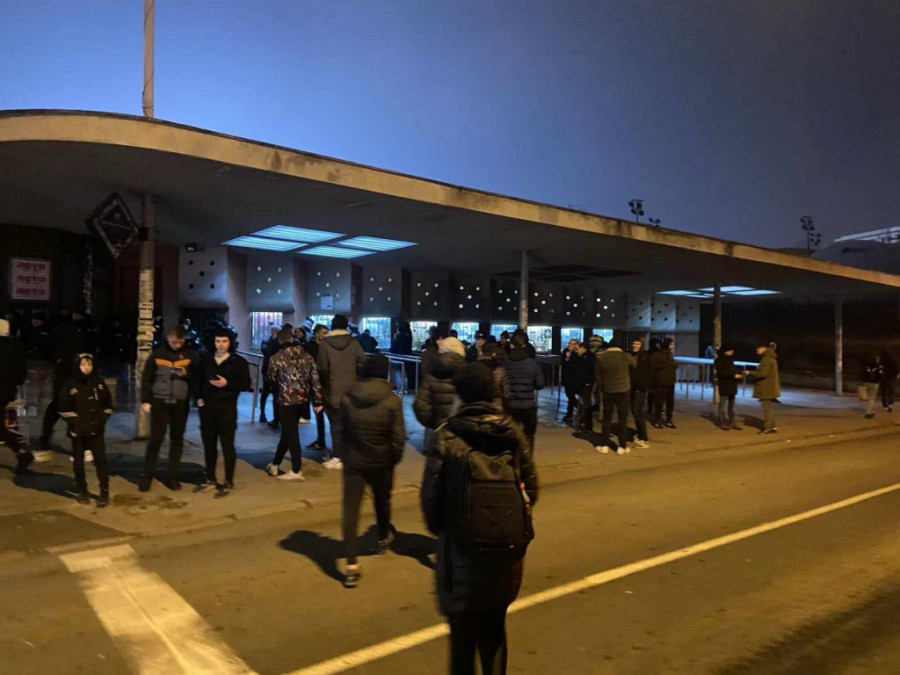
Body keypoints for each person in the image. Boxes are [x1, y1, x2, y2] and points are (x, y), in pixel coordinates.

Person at [420, 363, 539, 675]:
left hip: (459, 553)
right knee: (494, 630)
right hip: (504, 552)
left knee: (462, 640)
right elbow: (533, 490)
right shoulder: (513, 432)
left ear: (461, 394)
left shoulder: (446, 435)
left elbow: (431, 504)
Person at [339, 354, 406, 588]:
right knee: (382, 500)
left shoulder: (348, 397)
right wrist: (393, 459)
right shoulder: (392, 400)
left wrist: (345, 455)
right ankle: (382, 537)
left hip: (354, 461)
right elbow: (398, 437)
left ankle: (351, 565)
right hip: (381, 460)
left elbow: (340, 431)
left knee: (350, 510)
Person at [139, 325, 199, 492]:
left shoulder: (189, 355)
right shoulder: (158, 354)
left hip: (180, 402)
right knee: (156, 440)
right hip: (160, 401)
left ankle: (172, 477)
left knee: (177, 440)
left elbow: (197, 376)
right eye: (174, 342)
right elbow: (147, 377)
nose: (177, 345)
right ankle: (147, 475)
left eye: (180, 342)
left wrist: (186, 374)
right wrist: (145, 400)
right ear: (168, 338)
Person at [196, 329, 251, 495]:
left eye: (224, 341)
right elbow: (197, 379)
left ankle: (228, 480)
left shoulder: (238, 361)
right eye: (218, 341)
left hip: (227, 407)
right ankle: (210, 478)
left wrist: (227, 383)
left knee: (227, 445)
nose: (221, 345)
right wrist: (198, 397)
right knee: (209, 445)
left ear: (230, 342)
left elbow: (245, 384)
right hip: (207, 408)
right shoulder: (205, 358)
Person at [266, 328, 323, 480]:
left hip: (286, 400)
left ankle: (296, 470)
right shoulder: (307, 356)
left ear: (280, 341)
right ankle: (275, 463)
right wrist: (317, 400)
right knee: (288, 432)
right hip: (303, 400)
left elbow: (271, 378)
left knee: (291, 435)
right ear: (292, 339)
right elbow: (315, 379)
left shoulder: (276, 358)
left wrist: (277, 389)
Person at [59, 353, 113, 506]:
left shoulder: (99, 384)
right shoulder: (70, 385)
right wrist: (74, 422)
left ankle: (104, 490)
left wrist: (102, 419)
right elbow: (63, 407)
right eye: (83, 365)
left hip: (96, 429)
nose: (87, 368)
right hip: (78, 431)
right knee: (78, 462)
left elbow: (108, 405)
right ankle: (82, 489)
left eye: (89, 364)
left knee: (101, 460)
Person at [317, 315, 367, 470]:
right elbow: (363, 362)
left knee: (335, 425)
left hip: (332, 389)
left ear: (332, 325)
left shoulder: (325, 343)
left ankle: (337, 457)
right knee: (349, 424)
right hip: (351, 390)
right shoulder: (354, 342)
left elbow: (322, 368)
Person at [40, 307, 87, 449]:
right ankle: (77, 439)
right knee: (74, 407)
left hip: (62, 371)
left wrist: (55, 360)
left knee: (57, 406)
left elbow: (48, 348)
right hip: (75, 372)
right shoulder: (80, 331)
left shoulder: (59, 330)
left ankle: (46, 437)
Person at [414, 336, 467, 446]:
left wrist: (433, 423)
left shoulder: (432, 374)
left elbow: (421, 407)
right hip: (462, 436)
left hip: (437, 433)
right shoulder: (469, 374)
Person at [0, 319, 32, 474]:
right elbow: (21, 372)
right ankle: (22, 451)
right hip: (6, 391)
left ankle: (22, 451)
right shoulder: (15, 346)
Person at [593, 338, 635, 455]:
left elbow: (597, 375)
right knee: (622, 419)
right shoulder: (626, 356)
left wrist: (602, 387)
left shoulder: (601, 357)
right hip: (624, 390)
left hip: (608, 391)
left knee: (607, 418)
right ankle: (622, 446)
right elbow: (634, 365)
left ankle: (604, 445)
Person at [504, 329, 544, 450]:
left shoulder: (505, 363)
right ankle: (527, 459)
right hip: (528, 406)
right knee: (529, 437)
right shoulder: (532, 364)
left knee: (511, 437)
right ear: (525, 345)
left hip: (511, 406)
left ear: (512, 345)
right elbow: (540, 384)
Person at [301, 324, 329, 450]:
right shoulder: (308, 347)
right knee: (319, 411)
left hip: (326, 382)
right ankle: (321, 439)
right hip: (314, 383)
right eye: (323, 332)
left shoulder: (328, 347)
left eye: (326, 333)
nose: (326, 335)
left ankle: (323, 440)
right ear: (316, 333)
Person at [752, 342, 780, 434]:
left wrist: (750, 373)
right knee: (769, 407)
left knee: (767, 408)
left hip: (766, 387)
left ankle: (767, 428)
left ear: (764, 348)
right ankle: (772, 426)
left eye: (758, 349)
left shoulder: (766, 359)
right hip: (769, 387)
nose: (757, 351)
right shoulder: (771, 357)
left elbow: (763, 373)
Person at [629, 337, 652, 447]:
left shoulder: (644, 356)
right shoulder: (632, 355)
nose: (635, 346)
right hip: (633, 388)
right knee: (635, 412)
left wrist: (643, 386)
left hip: (639, 388)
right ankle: (640, 434)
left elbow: (646, 373)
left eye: (637, 344)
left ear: (641, 345)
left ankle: (643, 437)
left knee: (637, 412)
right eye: (634, 343)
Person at [650, 337, 677, 429]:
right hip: (661, 382)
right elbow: (653, 366)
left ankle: (669, 419)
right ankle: (657, 420)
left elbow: (672, 365)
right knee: (659, 402)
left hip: (670, 382)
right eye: (671, 344)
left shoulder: (669, 354)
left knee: (670, 402)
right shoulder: (657, 354)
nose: (672, 346)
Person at [714, 345, 743, 430]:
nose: (732, 351)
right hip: (724, 384)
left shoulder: (730, 359)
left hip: (732, 385)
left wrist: (739, 373)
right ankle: (723, 422)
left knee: (732, 405)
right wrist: (734, 375)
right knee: (723, 404)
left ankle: (732, 421)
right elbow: (722, 373)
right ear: (725, 351)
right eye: (730, 350)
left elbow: (733, 369)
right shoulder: (719, 361)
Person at [258, 325, 281, 424]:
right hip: (267, 369)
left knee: (276, 394)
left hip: (278, 371)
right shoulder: (266, 341)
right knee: (265, 392)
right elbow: (267, 352)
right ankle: (262, 413)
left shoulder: (280, 342)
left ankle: (276, 417)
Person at [483, 343, 510, 414]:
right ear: (493, 354)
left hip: (479, 406)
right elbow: (506, 393)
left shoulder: (474, 369)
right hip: (496, 406)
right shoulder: (500, 370)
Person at [560, 338, 581, 422]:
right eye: (569, 343)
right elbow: (563, 362)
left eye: (572, 344)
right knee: (569, 395)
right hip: (567, 377)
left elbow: (576, 364)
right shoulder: (565, 351)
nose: (570, 345)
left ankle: (571, 412)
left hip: (575, 378)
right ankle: (578, 408)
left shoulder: (578, 353)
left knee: (571, 396)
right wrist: (567, 358)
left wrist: (569, 359)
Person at [859, 355, 884, 420]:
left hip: (865, 382)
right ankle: (868, 412)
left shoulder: (865, 365)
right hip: (874, 383)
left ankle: (866, 402)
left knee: (867, 396)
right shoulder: (878, 367)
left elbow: (861, 374)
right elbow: (880, 376)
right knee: (871, 398)